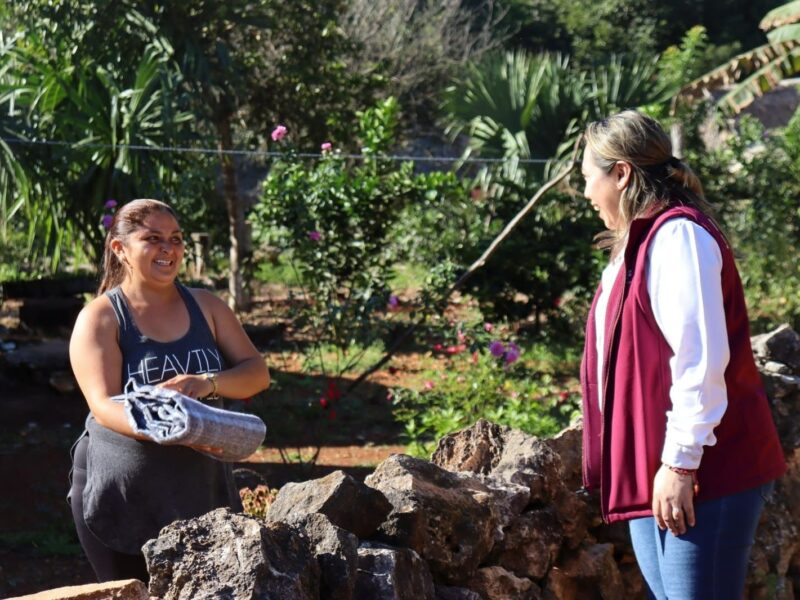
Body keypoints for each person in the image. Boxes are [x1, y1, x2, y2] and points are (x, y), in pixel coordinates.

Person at [579, 111, 786, 599]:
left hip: (703, 471)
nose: (587, 194)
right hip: (660, 470)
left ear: (622, 173)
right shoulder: (638, 243)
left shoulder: (679, 238)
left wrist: (679, 465)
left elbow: (700, 362)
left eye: (590, 179)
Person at [67, 199, 270, 583]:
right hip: (122, 495)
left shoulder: (207, 306)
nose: (169, 249)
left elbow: (256, 372)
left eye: (176, 239)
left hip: (201, 491)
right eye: (153, 238)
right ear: (119, 249)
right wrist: (174, 427)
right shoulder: (102, 317)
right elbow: (104, 404)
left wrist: (207, 383)